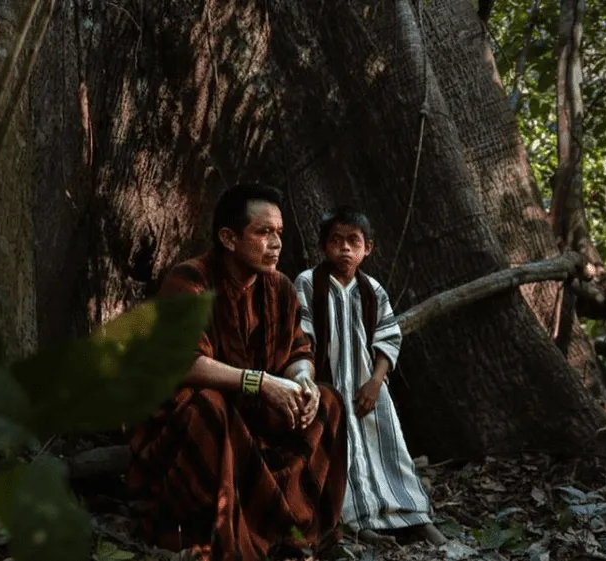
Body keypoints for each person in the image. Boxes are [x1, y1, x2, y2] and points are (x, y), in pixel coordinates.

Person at [126, 184, 348, 560]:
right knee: (209, 407)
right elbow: (183, 361)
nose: (275, 244)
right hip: (197, 423)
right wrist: (258, 383)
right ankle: (223, 537)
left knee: (328, 402)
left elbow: (299, 348)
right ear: (228, 238)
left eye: (279, 233)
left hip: (258, 419)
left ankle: (295, 532)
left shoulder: (279, 287)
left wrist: (302, 381)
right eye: (263, 233)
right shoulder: (189, 281)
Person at [294, 206, 447, 546]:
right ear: (323, 247)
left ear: (368, 248)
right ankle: (356, 522)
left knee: (388, 451)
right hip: (327, 389)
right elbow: (302, 338)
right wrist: (312, 386)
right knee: (338, 457)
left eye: (353, 241)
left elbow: (389, 337)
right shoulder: (308, 283)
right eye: (335, 241)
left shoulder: (372, 289)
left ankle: (415, 517)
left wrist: (377, 381)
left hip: (367, 389)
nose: (344, 249)